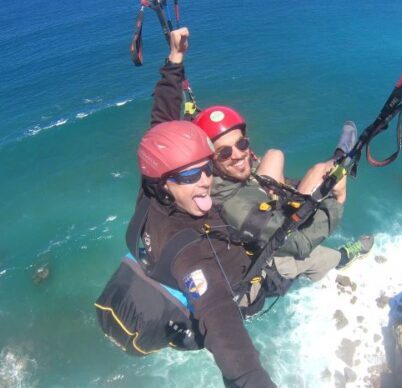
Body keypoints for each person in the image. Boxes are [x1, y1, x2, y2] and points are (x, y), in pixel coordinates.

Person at [150, 27, 374, 283]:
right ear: (209, 159)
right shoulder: (233, 206)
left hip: (255, 206)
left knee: (275, 155)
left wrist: (175, 58)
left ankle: (305, 188)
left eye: (242, 144)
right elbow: (299, 243)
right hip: (264, 260)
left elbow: (160, 129)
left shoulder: (211, 173)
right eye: (224, 152)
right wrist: (337, 198)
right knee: (313, 256)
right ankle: (344, 256)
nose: (238, 155)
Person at [135, 119, 302, 388]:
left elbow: (159, 122)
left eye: (207, 168)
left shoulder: (149, 194)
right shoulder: (188, 251)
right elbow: (217, 314)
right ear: (164, 183)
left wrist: (172, 69)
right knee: (296, 264)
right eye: (189, 175)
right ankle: (344, 257)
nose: (204, 182)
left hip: (197, 263)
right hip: (243, 289)